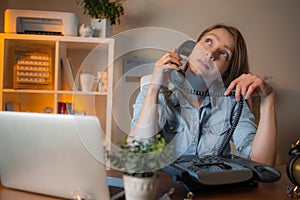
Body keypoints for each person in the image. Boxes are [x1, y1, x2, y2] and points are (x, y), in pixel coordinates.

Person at [129, 24, 277, 166]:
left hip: (212, 189)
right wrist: (155, 88)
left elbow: (261, 165)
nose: (211, 54)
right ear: (192, 48)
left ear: (226, 71)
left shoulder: (231, 102)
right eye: (208, 42)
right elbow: (136, 156)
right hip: (166, 189)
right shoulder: (156, 93)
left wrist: (268, 99)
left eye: (224, 53)